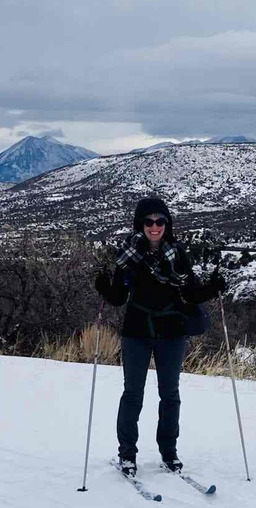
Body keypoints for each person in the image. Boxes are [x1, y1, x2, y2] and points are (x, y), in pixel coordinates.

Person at [94, 197, 226, 477]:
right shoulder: (128, 254)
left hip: (171, 332)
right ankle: (127, 454)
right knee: (133, 395)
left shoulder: (177, 253)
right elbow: (118, 298)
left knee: (170, 395)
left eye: (160, 221)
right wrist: (104, 286)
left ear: (167, 224)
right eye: (149, 221)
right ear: (140, 224)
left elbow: (191, 293)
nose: (155, 227)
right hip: (136, 332)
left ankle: (169, 452)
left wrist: (213, 288)